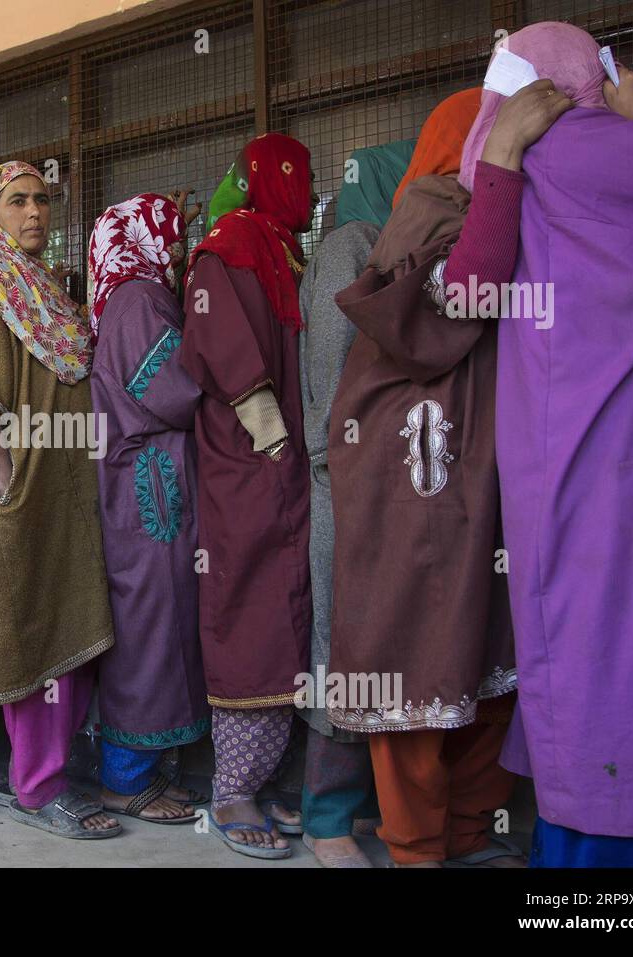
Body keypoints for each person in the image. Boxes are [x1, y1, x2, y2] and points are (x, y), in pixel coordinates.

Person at [466, 23, 633, 862]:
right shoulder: (589, 149)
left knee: (577, 647)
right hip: (620, 463)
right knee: (620, 650)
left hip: (553, 452)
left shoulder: (506, 160)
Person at [327, 80, 570, 867]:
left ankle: (469, 831)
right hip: (413, 479)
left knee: (486, 661)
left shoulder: (513, 212)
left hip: (473, 480)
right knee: (417, 665)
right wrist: (500, 160)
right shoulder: (430, 205)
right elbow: (455, 303)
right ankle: (418, 847)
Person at [0, 160, 119, 839]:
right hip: (14, 480)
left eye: (42, 199)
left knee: (66, 618)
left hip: (62, 482)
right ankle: (38, 788)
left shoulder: (44, 288)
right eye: (18, 200)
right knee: (26, 623)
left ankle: (55, 770)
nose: (34, 212)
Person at [179, 134, 315, 860]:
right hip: (249, 454)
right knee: (248, 604)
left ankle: (259, 782)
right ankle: (231, 788)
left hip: (283, 458)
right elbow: (219, 338)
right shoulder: (226, 245)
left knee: (284, 603)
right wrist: (268, 430)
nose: (313, 192)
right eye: (305, 176)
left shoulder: (280, 247)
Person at [296, 139, 414, 867]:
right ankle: (324, 816)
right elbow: (333, 368)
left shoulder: (392, 249)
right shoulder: (350, 245)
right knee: (341, 642)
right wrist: (339, 456)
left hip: (383, 477)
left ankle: (367, 807)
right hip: (344, 475)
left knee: (381, 644)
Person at [87, 192, 210, 824]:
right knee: (148, 629)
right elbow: (166, 389)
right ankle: (125, 779)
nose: (183, 248)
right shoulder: (138, 300)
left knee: (162, 622)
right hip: (148, 486)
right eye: (174, 234)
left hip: (152, 480)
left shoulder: (131, 296)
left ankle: (149, 772)